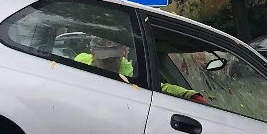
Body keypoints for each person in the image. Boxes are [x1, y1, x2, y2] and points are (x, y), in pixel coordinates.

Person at [75, 37, 206, 103]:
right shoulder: (79, 62)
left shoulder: (129, 73)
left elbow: (159, 87)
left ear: (124, 54)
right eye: (104, 58)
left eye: (114, 58)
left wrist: (188, 95)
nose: (109, 61)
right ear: (92, 53)